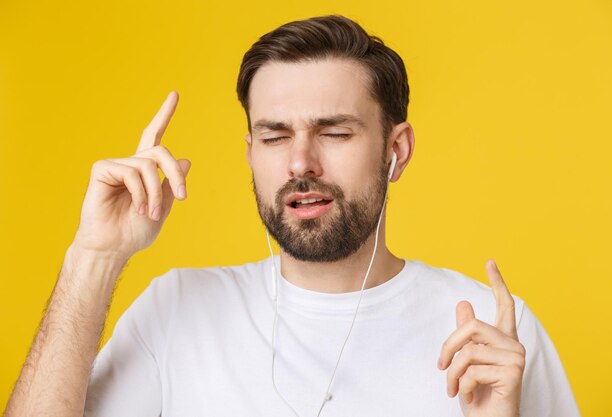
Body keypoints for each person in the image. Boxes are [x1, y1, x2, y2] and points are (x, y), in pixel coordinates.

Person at [4, 15, 580, 417]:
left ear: (395, 150)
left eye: (334, 132)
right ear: (251, 153)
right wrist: (93, 259)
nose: (301, 162)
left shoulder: (493, 334)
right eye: (275, 136)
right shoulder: (175, 311)